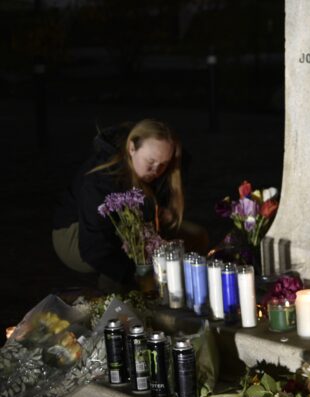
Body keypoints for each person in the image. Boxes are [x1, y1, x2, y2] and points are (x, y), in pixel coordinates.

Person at [52, 119, 208, 291]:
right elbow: (95, 247)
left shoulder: (162, 162)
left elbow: (156, 208)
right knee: (133, 247)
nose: (156, 171)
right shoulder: (102, 178)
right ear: (132, 148)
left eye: (163, 164)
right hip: (76, 235)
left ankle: (184, 289)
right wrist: (134, 277)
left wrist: (162, 212)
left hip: (127, 226)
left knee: (195, 236)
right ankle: (117, 298)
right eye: (150, 162)